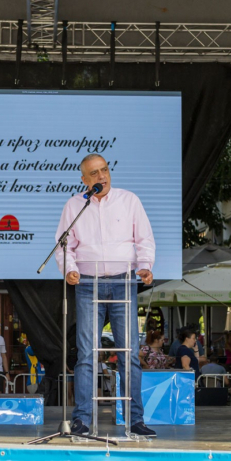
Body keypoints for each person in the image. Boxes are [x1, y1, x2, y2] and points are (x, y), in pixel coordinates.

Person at [56, 153, 156, 438]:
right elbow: (65, 245)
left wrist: (146, 266)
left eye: (105, 170)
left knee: (130, 355)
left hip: (124, 282)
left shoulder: (129, 200)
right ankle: (82, 420)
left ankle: (135, 420)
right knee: (87, 354)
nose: (102, 176)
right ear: (84, 180)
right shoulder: (75, 205)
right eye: (95, 173)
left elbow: (144, 239)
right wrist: (70, 269)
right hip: (88, 283)